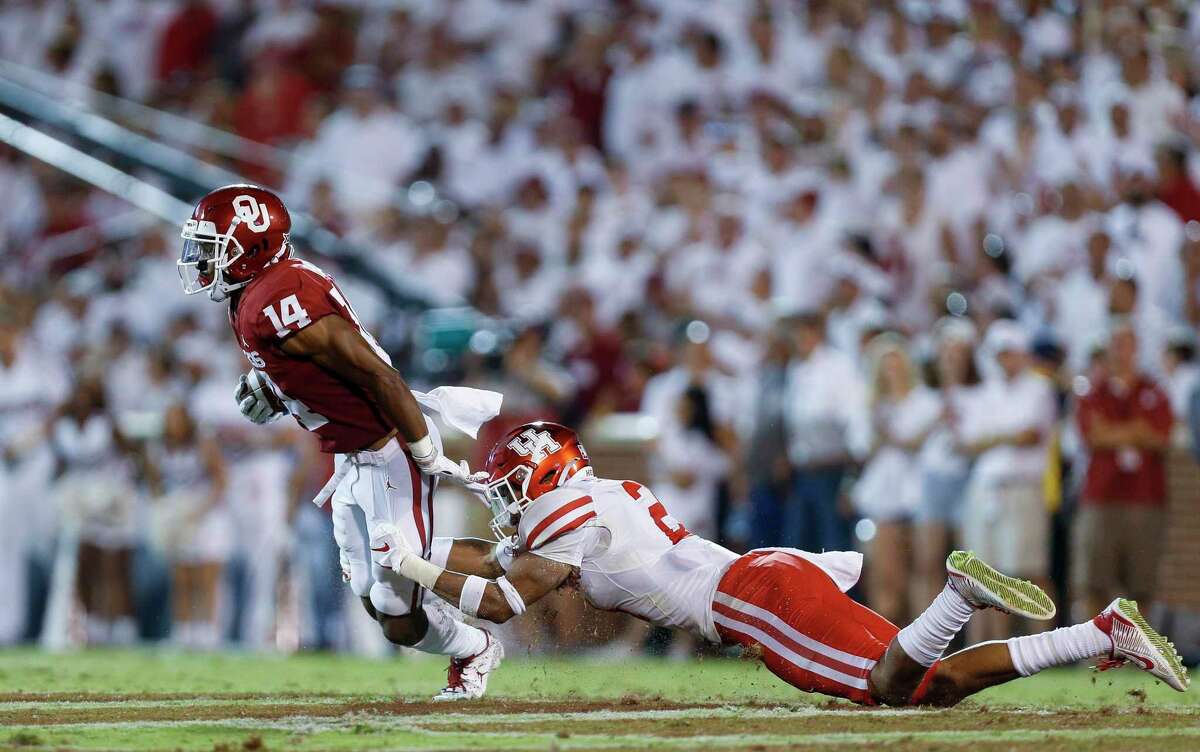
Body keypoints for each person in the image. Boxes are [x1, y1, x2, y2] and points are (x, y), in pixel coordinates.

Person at [377, 421, 1188, 706]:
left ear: (547, 480)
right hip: (761, 581)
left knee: (892, 690)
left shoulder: (562, 514)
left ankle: (957, 594)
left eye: (517, 487)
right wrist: (418, 544)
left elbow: (496, 602)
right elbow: (502, 559)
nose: (512, 502)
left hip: (753, 600)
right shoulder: (597, 496)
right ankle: (1103, 633)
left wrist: (406, 564)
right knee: (921, 689)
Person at [176, 184, 501, 699]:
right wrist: (277, 385)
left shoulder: (277, 297)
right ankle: (435, 580)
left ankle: (475, 640)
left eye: (216, 247)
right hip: (353, 457)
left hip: (391, 449)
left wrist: (423, 450)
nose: (202, 260)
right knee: (372, 597)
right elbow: (323, 370)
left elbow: (377, 374)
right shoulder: (255, 294)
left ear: (253, 248)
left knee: (396, 614)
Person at [1074, 322, 1173, 620]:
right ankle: (1099, 655)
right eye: (1116, 343)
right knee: (1094, 582)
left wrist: (1113, 433)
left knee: (1142, 584)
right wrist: (1138, 431)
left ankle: (1137, 652)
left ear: (1137, 347)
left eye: (1127, 343)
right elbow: (1094, 436)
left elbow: (1161, 439)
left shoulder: (1153, 390)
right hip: (1102, 497)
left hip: (1145, 498)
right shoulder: (1093, 392)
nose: (1122, 351)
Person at [145, 403, 232, 649]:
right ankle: (183, 632)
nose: (174, 425)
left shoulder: (203, 445)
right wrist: (165, 510)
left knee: (206, 577)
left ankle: (208, 633)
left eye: (177, 418)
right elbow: (155, 483)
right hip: (179, 515)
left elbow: (221, 480)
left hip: (207, 514)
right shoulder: (158, 448)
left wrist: (200, 510)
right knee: (181, 577)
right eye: (169, 419)